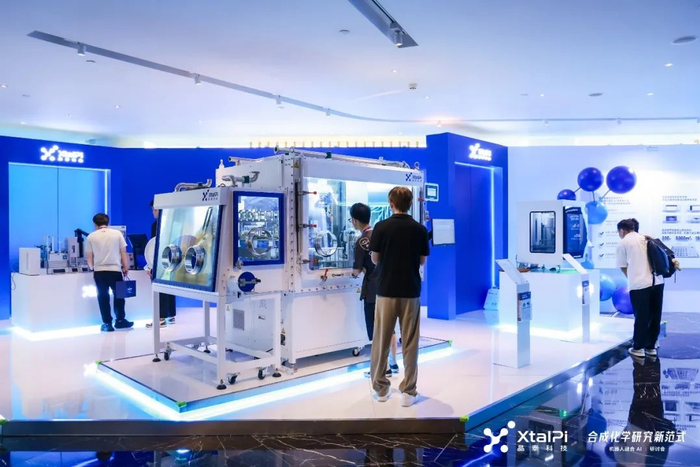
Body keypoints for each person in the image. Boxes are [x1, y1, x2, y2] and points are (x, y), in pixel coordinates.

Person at [369, 187, 430, 407]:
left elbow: (375, 259)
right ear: (411, 204)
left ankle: (381, 389)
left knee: (381, 340)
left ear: (391, 203)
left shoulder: (381, 227)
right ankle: (408, 392)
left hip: (386, 290)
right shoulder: (420, 229)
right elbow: (422, 261)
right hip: (411, 291)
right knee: (410, 342)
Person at [349, 203, 398, 379]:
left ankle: (381, 368)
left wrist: (358, 271)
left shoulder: (362, 241)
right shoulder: (382, 235)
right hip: (389, 286)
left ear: (354, 220)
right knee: (389, 327)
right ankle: (393, 363)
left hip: (373, 290)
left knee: (377, 330)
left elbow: (356, 271)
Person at [616, 218, 663, 357]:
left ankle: (638, 348)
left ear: (622, 231)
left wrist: (631, 278)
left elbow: (623, 266)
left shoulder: (623, 243)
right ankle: (651, 347)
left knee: (641, 316)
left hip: (639, 284)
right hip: (657, 282)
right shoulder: (648, 238)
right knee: (655, 316)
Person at [85, 213, 134, 332]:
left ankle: (107, 323)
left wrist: (92, 268)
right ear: (108, 222)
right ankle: (120, 320)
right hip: (115, 270)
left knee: (103, 297)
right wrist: (125, 267)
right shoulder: (117, 234)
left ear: (95, 224)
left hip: (99, 272)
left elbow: (89, 256)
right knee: (120, 296)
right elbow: (123, 252)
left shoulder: (91, 236)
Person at [146, 200, 177, 328]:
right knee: (169, 286)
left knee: (159, 288)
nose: (153, 213)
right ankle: (170, 315)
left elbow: (154, 245)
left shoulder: (157, 224)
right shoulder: (174, 222)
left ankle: (160, 318)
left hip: (160, 260)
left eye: (154, 210)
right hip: (173, 259)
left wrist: (150, 265)